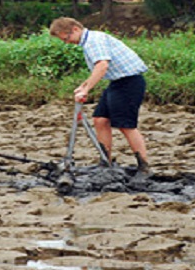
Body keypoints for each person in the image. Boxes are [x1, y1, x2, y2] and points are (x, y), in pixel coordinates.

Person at [49, 17, 151, 175]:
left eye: (66, 38)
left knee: (126, 125)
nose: (67, 42)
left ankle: (144, 166)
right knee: (100, 120)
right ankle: (105, 162)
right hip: (116, 83)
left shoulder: (94, 40)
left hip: (130, 82)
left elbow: (102, 65)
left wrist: (86, 90)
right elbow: (99, 69)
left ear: (75, 29)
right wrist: (83, 86)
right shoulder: (88, 42)